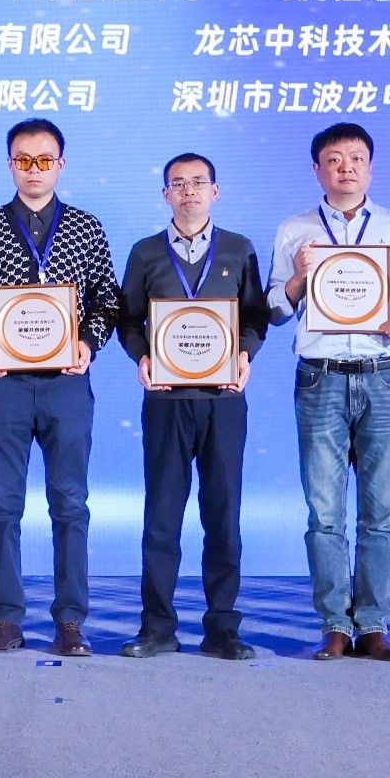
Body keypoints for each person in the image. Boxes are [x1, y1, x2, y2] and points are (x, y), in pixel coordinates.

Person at [0, 117, 122, 654]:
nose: (34, 169)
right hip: (5, 385)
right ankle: (6, 618)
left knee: (70, 503)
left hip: (66, 384)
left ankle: (70, 620)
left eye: (44, 160)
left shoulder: (86, 228)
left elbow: (108, 298)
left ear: (60, 165)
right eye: (23, 160)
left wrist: (88, 343)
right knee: (2, 506)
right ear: (10, 165)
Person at [268, 121, 390, 661]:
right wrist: (299, 276)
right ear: (317, 169)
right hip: (320, 375)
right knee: (324, 512)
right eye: (334, 159)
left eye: (356, 158)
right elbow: (275, 309)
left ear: (370, 167)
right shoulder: (294, 228)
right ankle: (335, 624)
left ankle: (374, 624)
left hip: (383, 373)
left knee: (381, 510)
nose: (346, 168)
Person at [114, 151, 271, 659]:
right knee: (161, 517)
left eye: (198, 182)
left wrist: (245, 354)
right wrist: (142, 356)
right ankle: (157, 627)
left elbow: (256, 316)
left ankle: (222, 627)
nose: (188, 191)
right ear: (165, 194)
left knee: (223, 515)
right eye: (178, 184)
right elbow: (128, 320)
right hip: (166, 400)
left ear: (215, 191)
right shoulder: (145, 253)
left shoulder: (239, 249)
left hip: (224, 400)